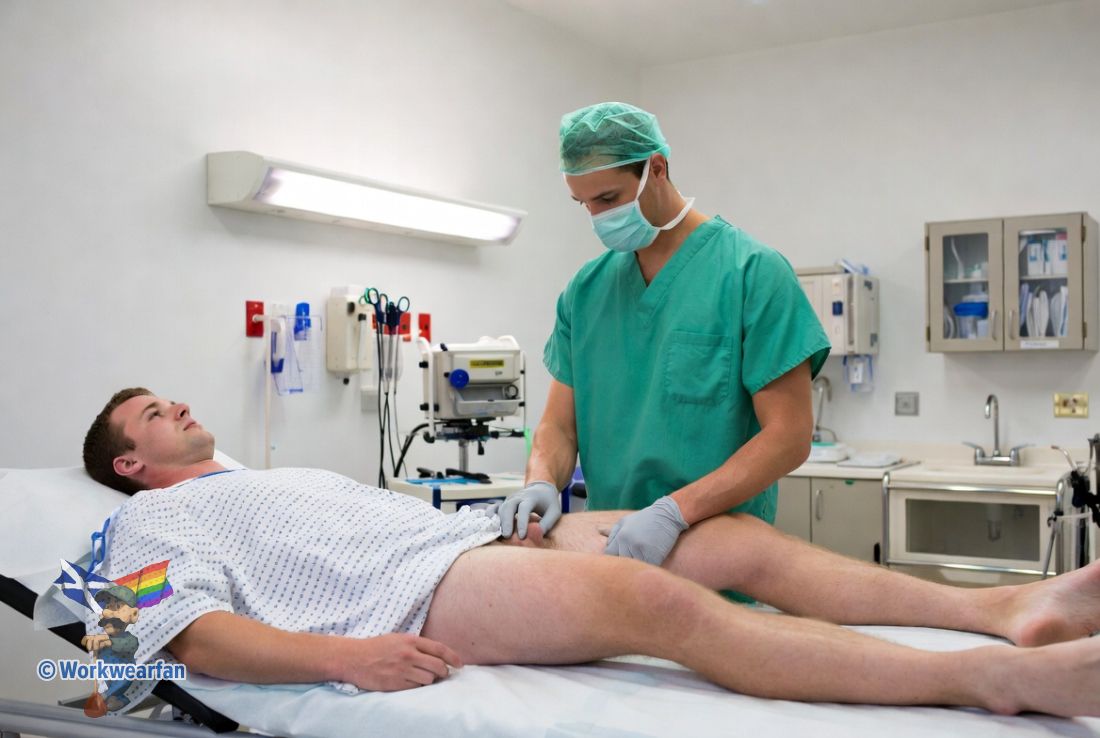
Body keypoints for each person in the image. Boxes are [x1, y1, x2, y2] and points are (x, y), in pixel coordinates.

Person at [75, 387, 1100, 718]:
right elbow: (179, 639)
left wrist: (517, 505)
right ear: (128, 464)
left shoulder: (270, 475)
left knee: (724, 536)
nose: (177, 406)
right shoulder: (143, 528)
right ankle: (992, 682)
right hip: (417, 593)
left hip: (466, 536)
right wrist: (346, 657)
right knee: (654, 603)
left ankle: (1002, 609)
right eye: (151, 414)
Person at [498, 102, 832, 577]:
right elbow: (560, 427)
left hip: (718, 561)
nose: (597, 216)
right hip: (611, 554)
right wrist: (541, 482)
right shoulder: (586, 291)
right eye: (584, 204)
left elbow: (788, 436)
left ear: (656, 168)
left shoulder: (751, 274)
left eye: (609, 198)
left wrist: (675, 512)